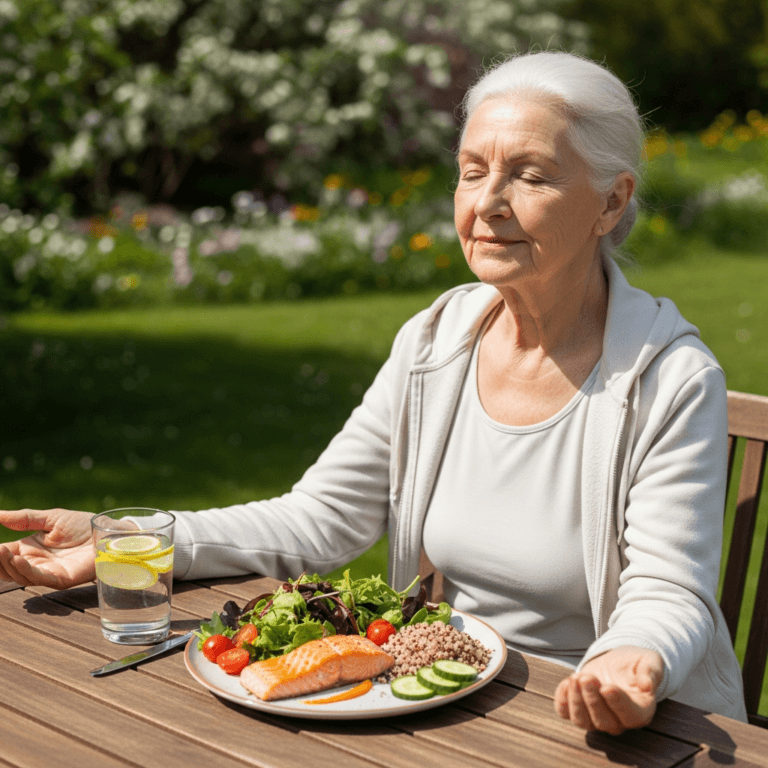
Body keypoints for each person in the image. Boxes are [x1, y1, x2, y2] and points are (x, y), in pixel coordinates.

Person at [0, 51, 747, 733]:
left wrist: (631, 660)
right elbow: (319, 519)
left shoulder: (671, 379)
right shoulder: (437, 340)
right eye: (472, 169)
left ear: (611, 204)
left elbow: (669, 589)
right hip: (442, 702)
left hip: (599, 724)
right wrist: (134, 542)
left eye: (530, 175)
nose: (488, 202)